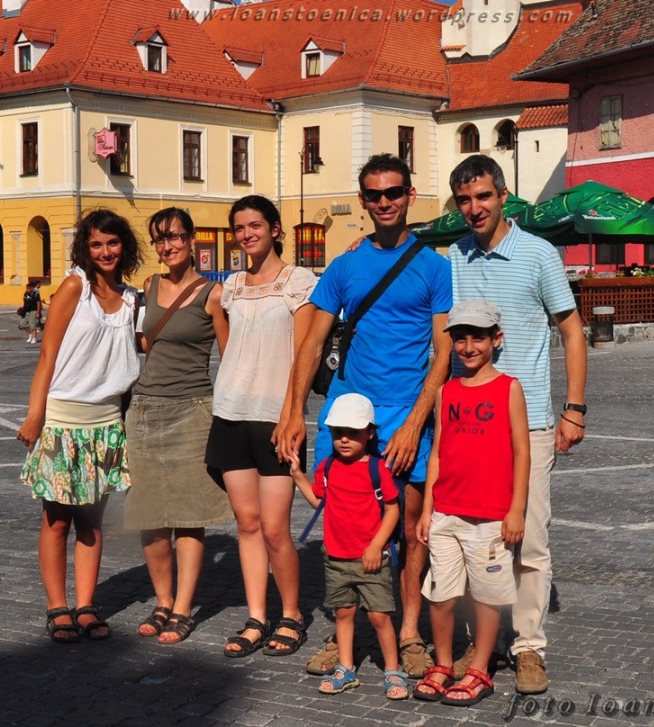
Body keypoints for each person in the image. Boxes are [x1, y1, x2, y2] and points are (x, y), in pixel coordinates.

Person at [276, 153, 452, 679]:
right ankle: (344, 632)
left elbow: (443, 351)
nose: (384, 202)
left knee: (411, 530)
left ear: (410, 195)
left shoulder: (434, 266)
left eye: (393, 192)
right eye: (374, 194)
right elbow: (311, 344)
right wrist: (293, 413)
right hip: (348, 414)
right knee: (346, 525)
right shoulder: (344, 266)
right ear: (363, 201)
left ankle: (410, 633)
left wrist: (416, 423)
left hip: (405, 413)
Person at [447, 155, 587, 694]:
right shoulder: (454, 257)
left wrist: (574, 408)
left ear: (503, 196)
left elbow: (571, 331)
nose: (474, 208)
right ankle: (480, 642)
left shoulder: (538, 254)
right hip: (468, 423)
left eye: (483, 196)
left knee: (528, 540)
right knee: (472, 538)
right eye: (465, 200)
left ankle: (528, 646)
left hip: (528, 424)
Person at [16, 208, 143, 643]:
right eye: (96, 244)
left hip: (106, 422)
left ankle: (86, 605)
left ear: (124, 245)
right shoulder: (75, 287)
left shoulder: (131, 299)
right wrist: (35, 414)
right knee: (56, 520)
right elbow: (47, 354)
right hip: (63, 419)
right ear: (85, 249)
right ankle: (58, 607)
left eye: (112, 242)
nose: (105, 251)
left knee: (91, 521)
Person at [205, 195, 316, 658]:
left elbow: (305, 353)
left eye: (255, 225)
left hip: (276, 418)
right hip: (231, 413)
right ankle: (256, 617)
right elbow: (228, 345)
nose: (247, 234)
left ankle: (291, 614)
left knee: (274, 529)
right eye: (239, 228)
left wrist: (294, 414)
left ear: (274, 229)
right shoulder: (230, 286)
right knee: (247, 524)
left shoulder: (298, 282)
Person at [123, 207, 232, 644]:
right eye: (160, 239)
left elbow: (230, 357)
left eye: (174, 236)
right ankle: (162, 600)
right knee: (150, 516)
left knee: (189, 516)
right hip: (145, 410)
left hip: (192, 410)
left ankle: (183, 607)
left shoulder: (213, 294)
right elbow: (143, 342)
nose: (167, 246)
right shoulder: (149, 286)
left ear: (191, 239)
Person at [414, 300, 529, 706]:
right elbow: (437, 455)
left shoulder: (509, 388)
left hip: (490, 517)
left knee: (486, 595)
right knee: (441, 595)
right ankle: (444, 663)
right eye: (460, 339)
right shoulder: (445, 392)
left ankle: (480, 668)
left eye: (477, 338)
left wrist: (516, 510)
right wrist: (427, 510)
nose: (467, 347)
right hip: (446, 513)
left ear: (496, 340)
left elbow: (522, 452)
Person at [289, 393, 408, 700]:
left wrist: (376, 546)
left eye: (352, 432)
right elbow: (319, 502)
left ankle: (392, 669)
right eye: (338, 432)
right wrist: (298, 476)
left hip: (371, 559)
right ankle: (346, 668)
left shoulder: (377, 469)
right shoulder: (327, 467)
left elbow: (392, 511)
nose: (344, 439)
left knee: (379, 616)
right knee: (343, 613)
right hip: (336, 557)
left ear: (369, 433)